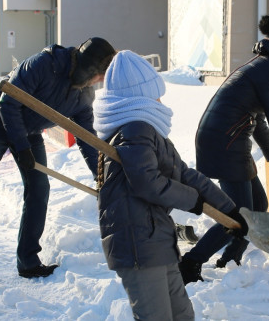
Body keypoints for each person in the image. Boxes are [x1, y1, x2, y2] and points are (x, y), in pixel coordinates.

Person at [94, 50, 248, 320]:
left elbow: (186, 175)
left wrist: (229, 211)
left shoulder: (147, 131)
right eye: (155, 93)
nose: (160, 99)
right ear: (138, 96)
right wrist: (195, 202)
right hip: (138, 244)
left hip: (156, 240)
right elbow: (147, 182)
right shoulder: (134, 130)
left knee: (181, 315)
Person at [0, 37, 116, 285]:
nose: (99, 82)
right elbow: (7, 102)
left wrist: (100, 175)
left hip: (29, 129)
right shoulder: (44, 64)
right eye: (99, 76)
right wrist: (21, 148)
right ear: (89, 69)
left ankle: (28, 261)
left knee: (39, 190)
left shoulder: (84, 93)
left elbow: (86, 137)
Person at [178, 15, 269, 284]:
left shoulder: (266, 65)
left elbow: (257, 121)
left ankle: (231, 259)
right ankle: (189, 264)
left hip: (227, 140)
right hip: (224, 144)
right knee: (238, 216)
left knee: (257, 206)